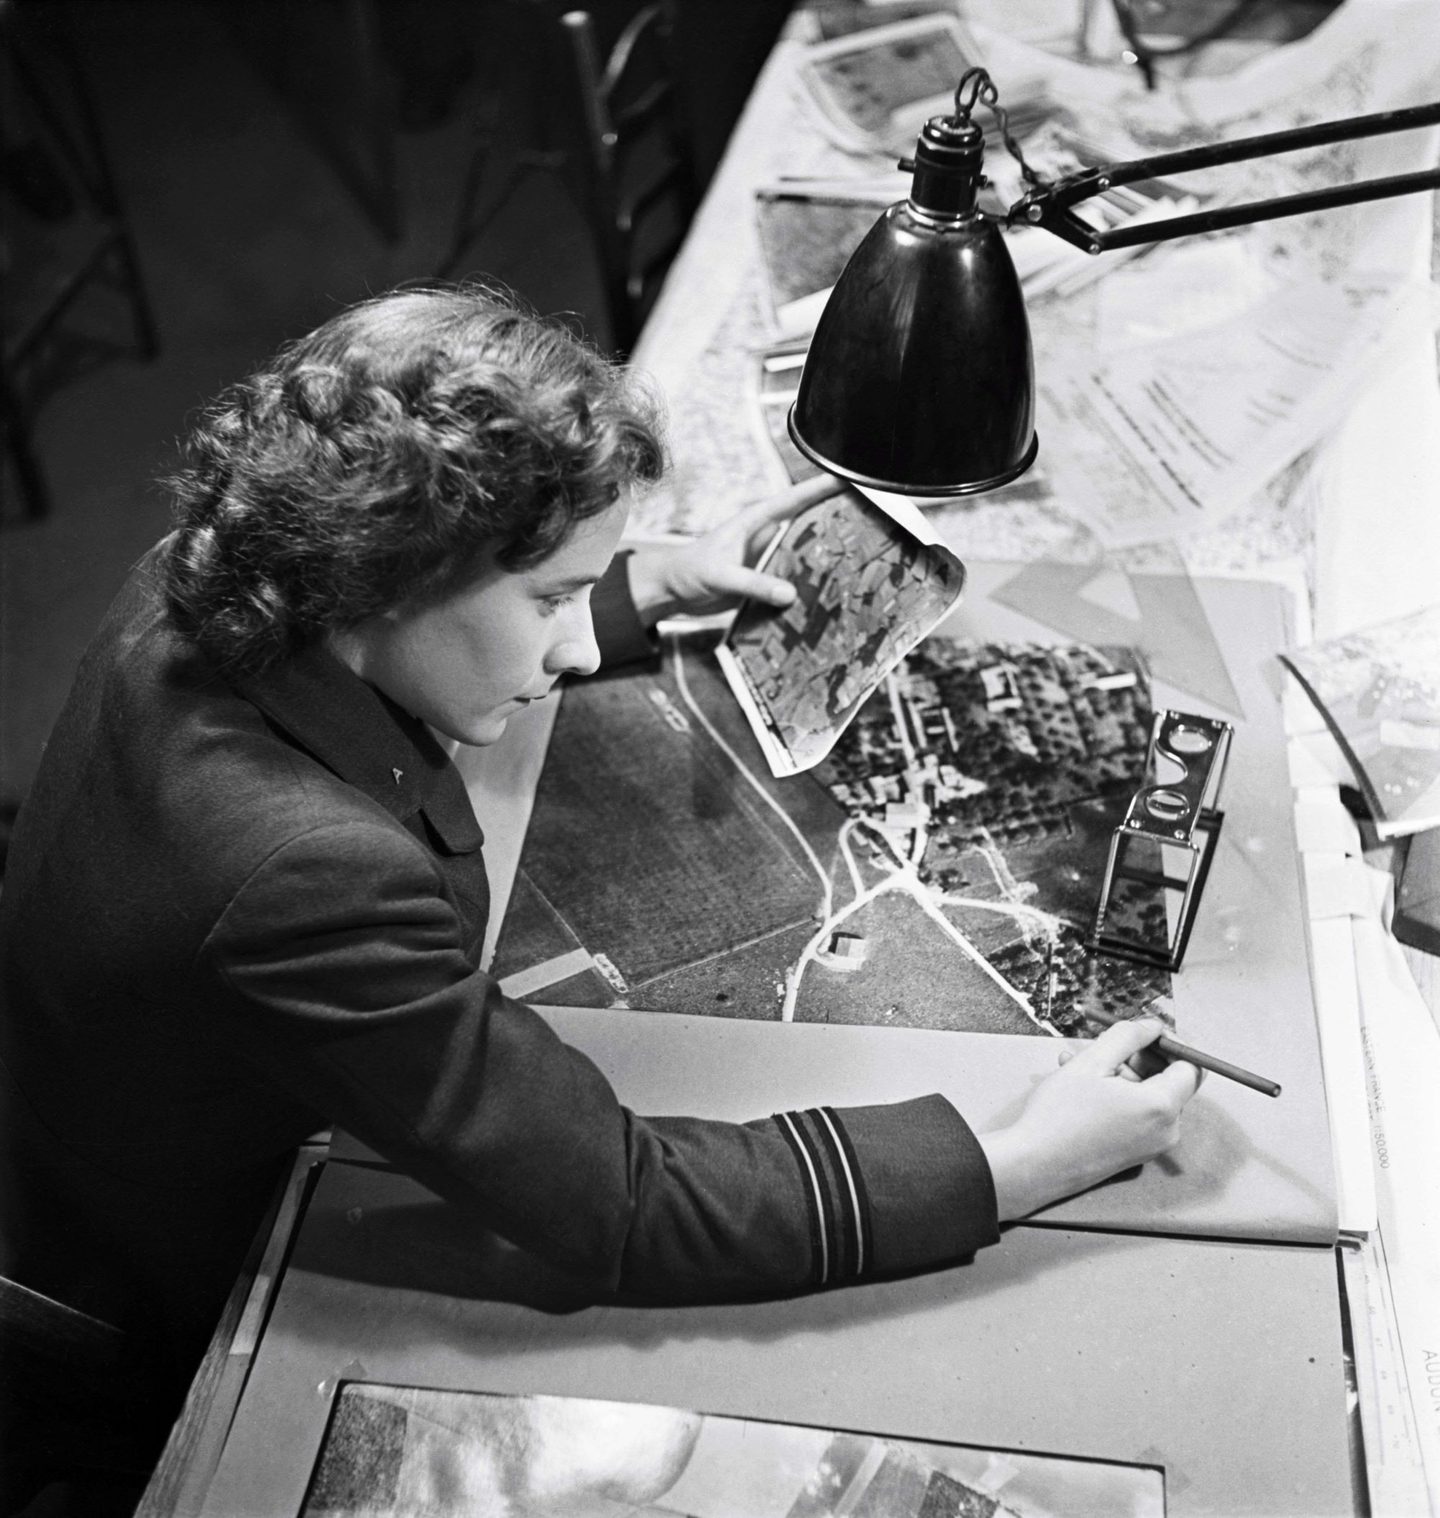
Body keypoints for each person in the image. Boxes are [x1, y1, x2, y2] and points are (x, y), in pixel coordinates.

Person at [0, 285, 1200, 1454]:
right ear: (387, 574)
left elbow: (453, 626)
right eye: (553, 598)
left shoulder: (216, 565)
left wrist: (644, 581)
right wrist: (1016, 1161)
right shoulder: (308, 875)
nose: (575, 650)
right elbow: (614, 1203)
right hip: (156, 1254)